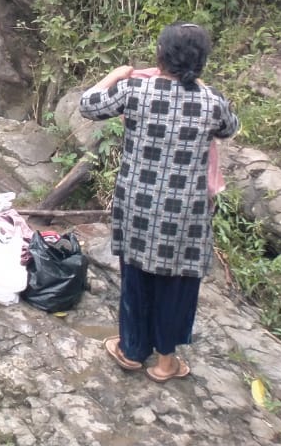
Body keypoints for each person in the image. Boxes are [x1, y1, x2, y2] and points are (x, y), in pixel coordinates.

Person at [81, 21, 239, 383]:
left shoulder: (135, 89)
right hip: (185, 212)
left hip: (138, 202)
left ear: (160, 55)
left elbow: (88, 106)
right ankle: (166, 362)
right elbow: (230, 128)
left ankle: (132, 348)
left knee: (136, 273)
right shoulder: (212, 101)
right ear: (201, 62)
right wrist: (198, 86)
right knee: (178, 281)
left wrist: (114, 75)